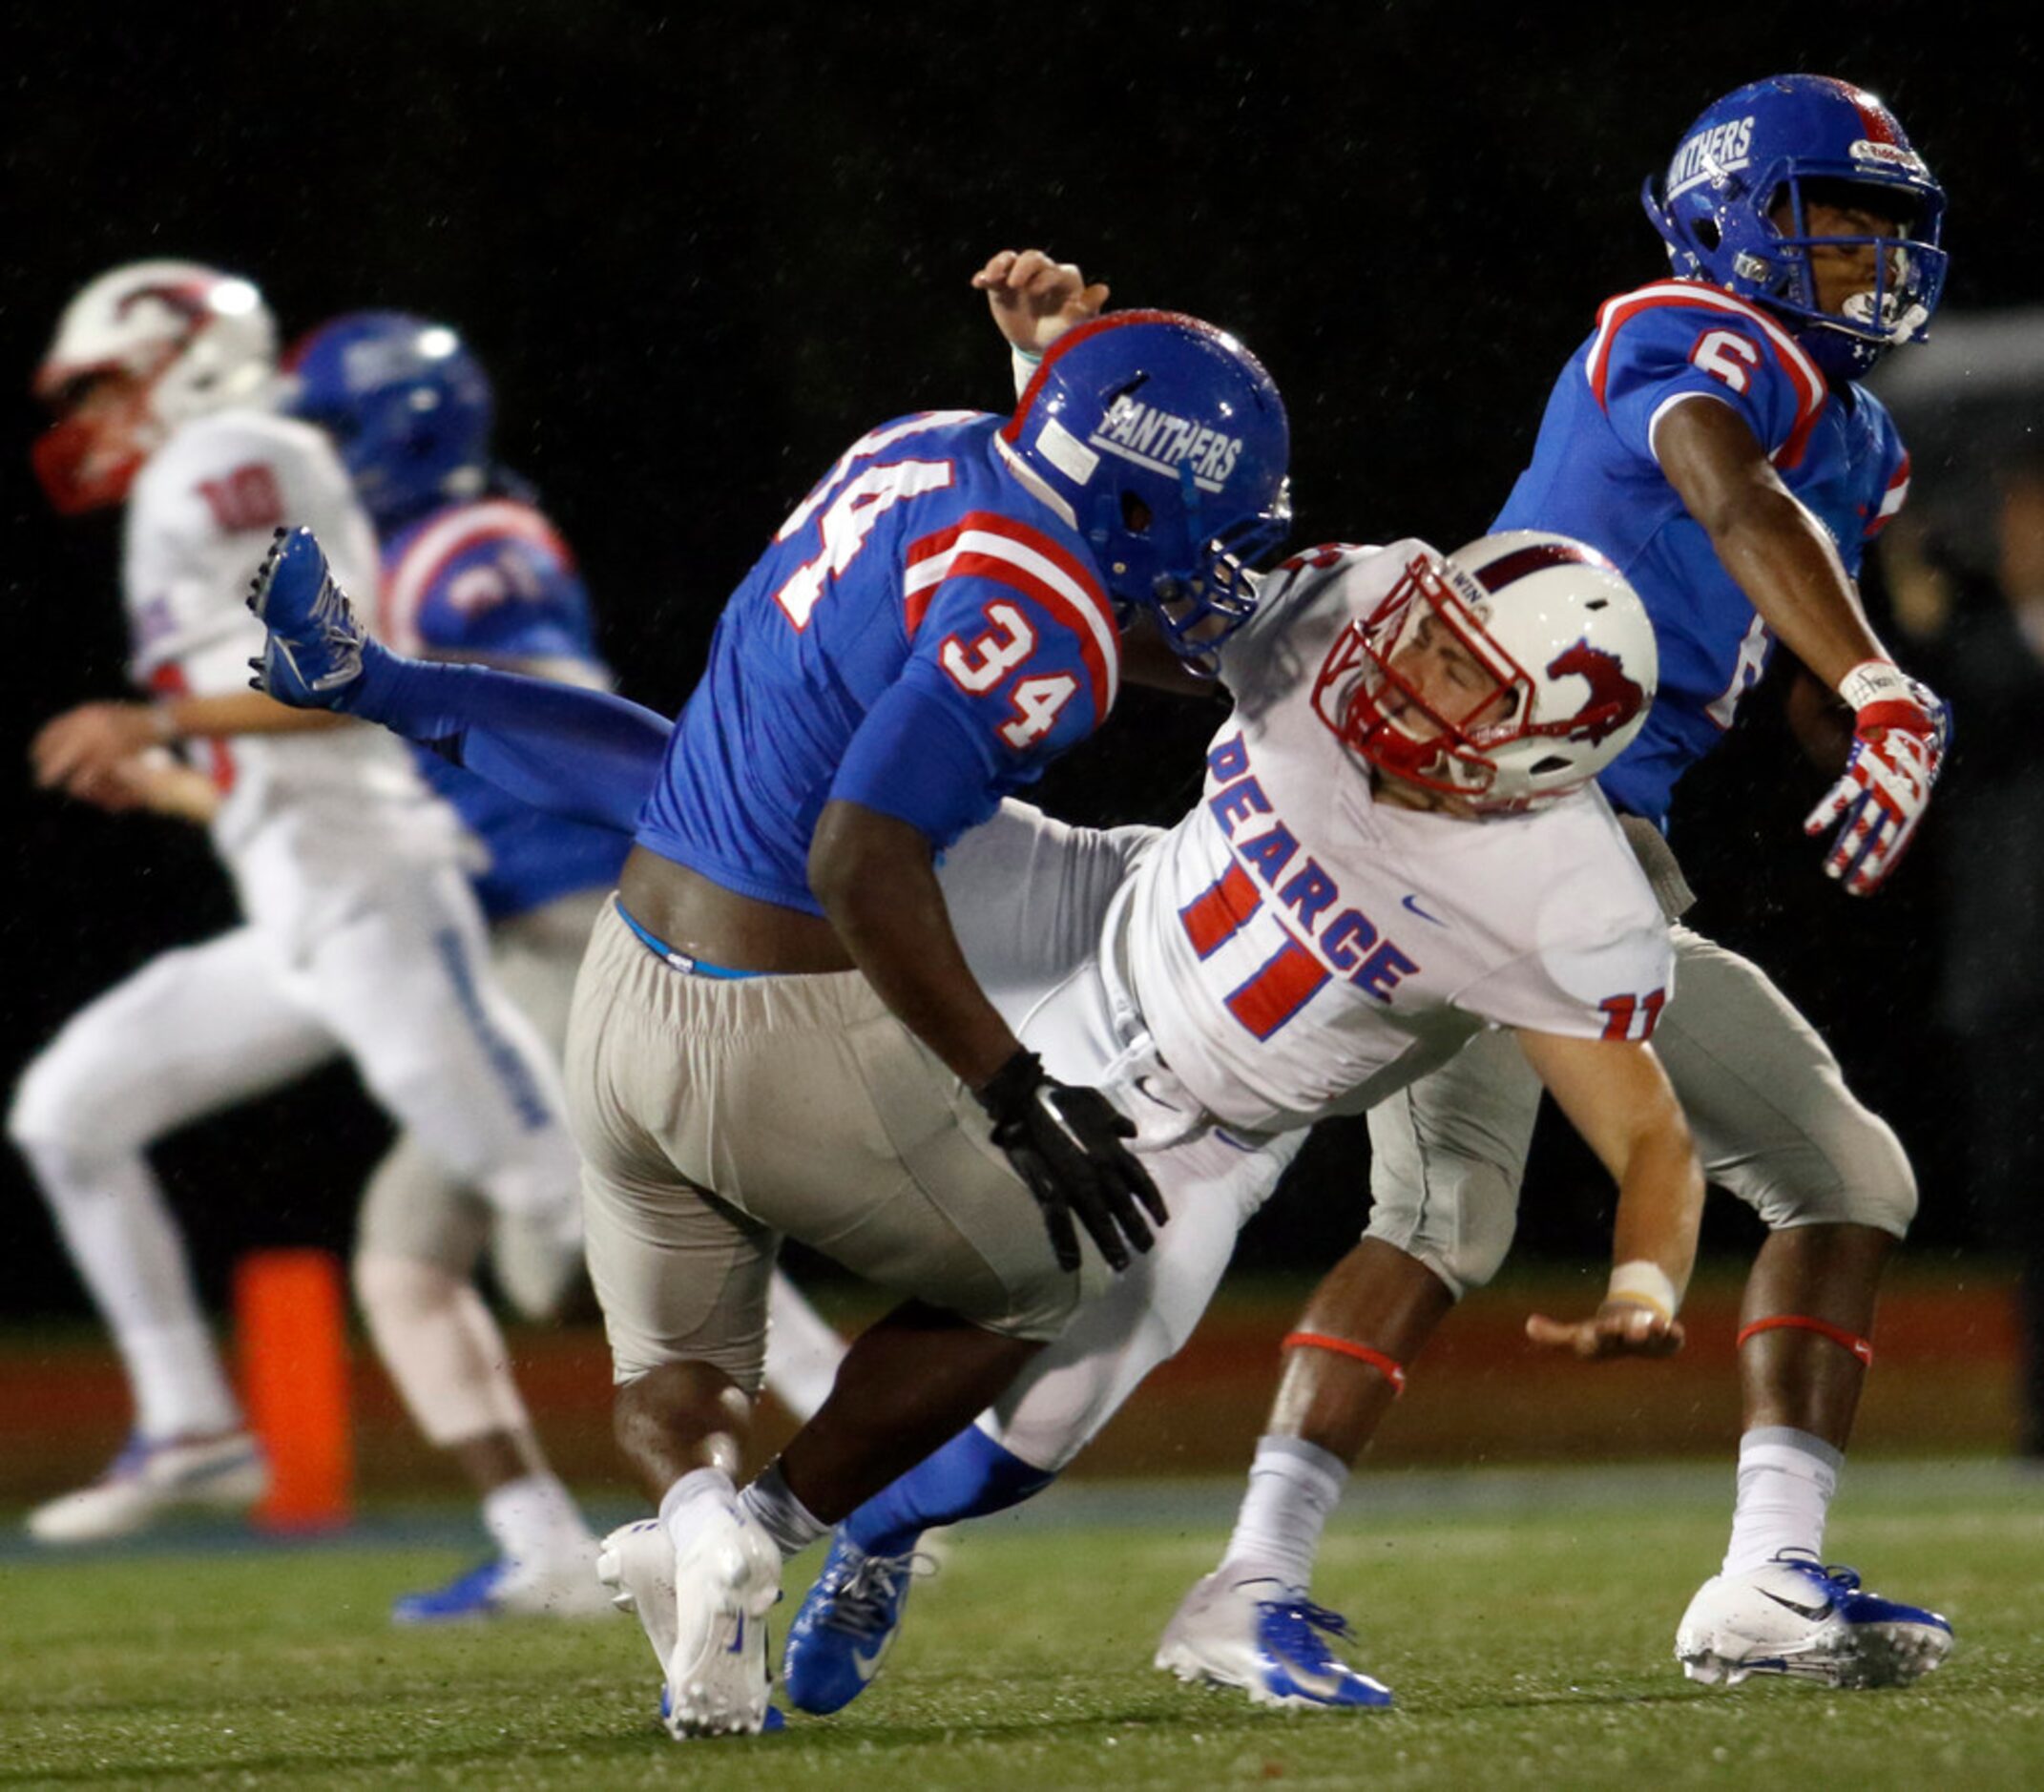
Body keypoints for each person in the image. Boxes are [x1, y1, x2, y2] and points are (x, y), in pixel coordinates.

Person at [244, 300, 1294, 1737]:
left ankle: (698, 1537)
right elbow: (862, 857)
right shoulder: (1043, 622)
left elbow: (666, 760)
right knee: (1052, 1276)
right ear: (1131, 486)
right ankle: (782, 1525)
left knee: (672, 1377)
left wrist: (388, 685)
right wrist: (1009, 1086)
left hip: (617, 1001)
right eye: (1209, 514)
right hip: (782, 1024)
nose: (1219, 551)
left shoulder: (912, 450)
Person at [1143, 73, 1956, 1702]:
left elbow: (1776, 622)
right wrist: (1874, 685)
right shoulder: (1682, 336)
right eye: (1831, 221)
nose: (1866, 261)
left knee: (1836, 1177)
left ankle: (1765, 1578)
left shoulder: (1856, 440)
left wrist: (1866, 720)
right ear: (1729, 219)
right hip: (1480, 824)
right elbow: (1727, 491)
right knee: (1439, 1216)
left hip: (1607, 872)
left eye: (1883, 232)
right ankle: (1243, 1582)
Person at [10, 264, 583, 1574]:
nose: (93, 415)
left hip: (375, 890)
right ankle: (197, 1422)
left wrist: (155, 717)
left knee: (559, 1187)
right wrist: (163, 770)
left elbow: (338, 676)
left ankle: (853, 1429)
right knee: (67, 1110)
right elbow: (272, 759)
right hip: (303, 909)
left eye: (106, 383)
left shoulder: (227, 457)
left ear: (184, 356)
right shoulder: (207, 471)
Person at [280, 310, 847, 1618]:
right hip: (512, 925)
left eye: (325, 428)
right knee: (420, 1250)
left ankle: (865, 1467)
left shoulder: (470, 545)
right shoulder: (405, 541)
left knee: (605, 1217)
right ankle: (539, 1536)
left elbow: (547, 715)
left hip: (568, 914)